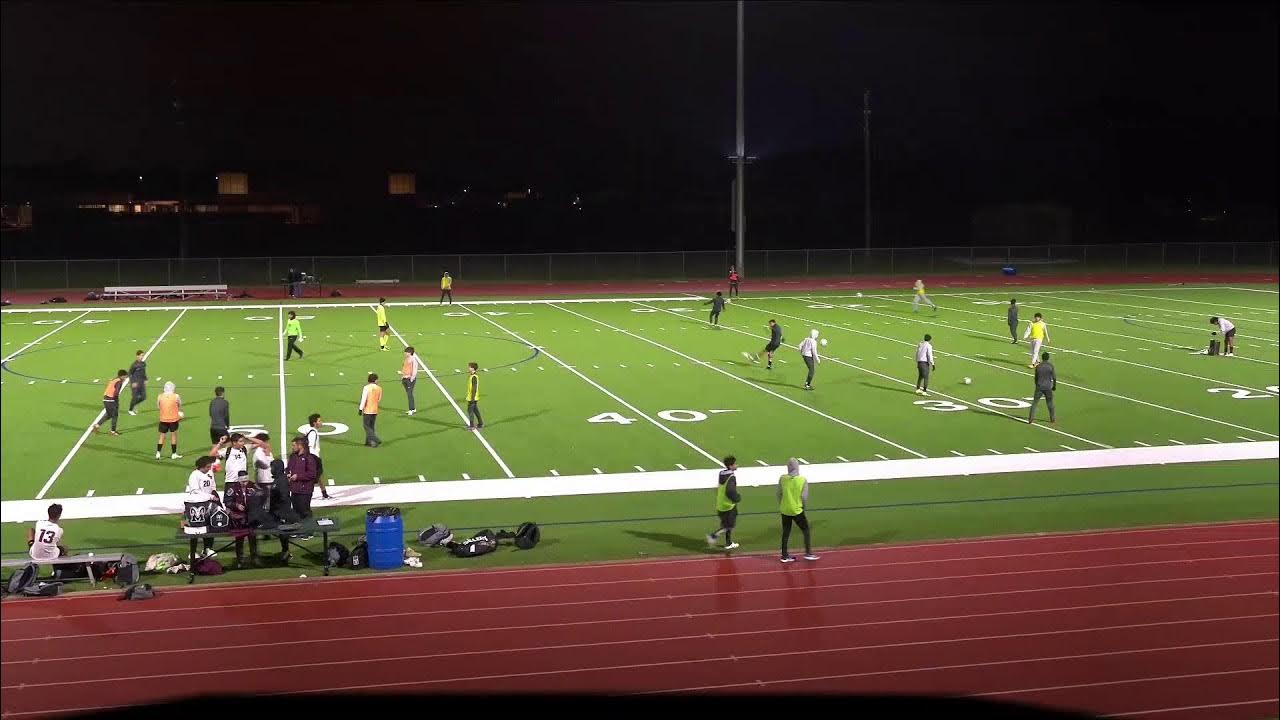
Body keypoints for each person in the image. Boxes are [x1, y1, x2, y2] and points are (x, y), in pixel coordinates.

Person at [778, 458, 817, 563]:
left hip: (785, 509)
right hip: (797, 510)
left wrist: (782, 505)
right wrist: (803, 507)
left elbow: (779, 494)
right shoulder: (802, 480)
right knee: (806, 530)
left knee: (786, 532)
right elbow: (804, 497)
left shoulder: (782, 478)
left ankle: (784, 555)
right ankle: (808, 553)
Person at [183, 456, 222, 554]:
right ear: (201, 467)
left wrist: (213, 494)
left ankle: (207, 548)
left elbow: (213, 485)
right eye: (207, 467)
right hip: (197, 505)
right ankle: (193, 552)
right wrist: (209, 496)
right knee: (195, 529)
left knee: (210, 525)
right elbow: (195, 491)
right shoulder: (194, 475)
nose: (209, 469)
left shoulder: (209, 472)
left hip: (209, 502)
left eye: (210, 467)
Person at [705, 456, 741, 550]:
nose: (737, 465)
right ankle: (713, 536)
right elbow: (730, 491)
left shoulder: (721, 473)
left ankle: (728, 543)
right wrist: (737, 498)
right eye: (735, 464)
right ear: (731, 465)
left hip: (721, 503)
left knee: (726, 524)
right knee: (729, 525)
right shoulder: (731, 477)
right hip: (728, 505)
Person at [303, 413, 330, 500]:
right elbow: (310, 446)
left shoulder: (311, 431)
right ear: (314, 423)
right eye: (319, 421)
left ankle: (324, 493)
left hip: (313, 457)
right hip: (313, 457)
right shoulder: (313, 433)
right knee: (315, 477)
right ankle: (306, 493)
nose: (321, 422)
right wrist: (312, 460)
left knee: (319, 476)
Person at [93, 369, 128, 435]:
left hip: (105, 399)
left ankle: (97, 425)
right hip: (112, 400)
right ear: (122, 376)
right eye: (125, 376)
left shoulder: (114, 379)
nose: (126, 378)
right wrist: (116, 399)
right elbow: (116, 392)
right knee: (115, 415)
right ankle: (113, 431)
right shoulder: (119, 382)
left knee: (109, 415)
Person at [1028, 352, 1058, 425]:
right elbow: (1054, 377)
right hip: (1048, 387)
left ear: (1042, 357)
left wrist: (1037, 385)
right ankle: (1052, 419)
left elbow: (1036, 377)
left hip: (1039, 386)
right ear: (1048, 358)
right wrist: (1054, 386)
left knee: (1035, 403)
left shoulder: (1038, 366)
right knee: (1050, 403)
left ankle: (1031, 419)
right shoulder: (1050, 366)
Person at [155, 381, 183, 460]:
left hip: (163, 419)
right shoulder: (176, 396)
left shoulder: (160, 396)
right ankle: (174, 454)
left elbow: (158, 406)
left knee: (161, 436)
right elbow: (179, 404)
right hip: (173, 419)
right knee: (173, 436)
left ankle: (158, 453)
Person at [358, 373, 383, 447]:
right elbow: (379, 399)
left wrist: (360, 409)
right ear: (375, 380)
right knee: (371, 426)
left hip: (368, 410)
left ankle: (375, 439)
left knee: (366, 426)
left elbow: (364, 399)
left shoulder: (366, 387)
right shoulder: (379, 388)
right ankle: (369, 442)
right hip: (375, 409)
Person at [126, 349, 147, 415]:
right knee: (134, 397)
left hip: (141, 383)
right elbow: (129, 373)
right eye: (141, 355)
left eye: (143, 355)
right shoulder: (134, 365)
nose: (142, 357)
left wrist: (145, 379)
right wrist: (133, 382)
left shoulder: (143, 363)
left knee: (143, 397)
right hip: (135, 384)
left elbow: (143, 372)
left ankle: (134, 404)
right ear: (137, 356)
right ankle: (130, 410)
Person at [399, 346, 419, 416]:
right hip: (405, 378)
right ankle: (413, 408)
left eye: (406, 352)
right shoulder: (406, 359)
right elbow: (404, 367)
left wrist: (411, 379)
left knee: (409, 394)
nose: (405, 353)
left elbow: (415, 369)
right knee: (409, 394)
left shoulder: (413, 360)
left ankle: (411, 409)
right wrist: (402, 375)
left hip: (409, 379)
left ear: (410, 353)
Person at [465, 362, 484, 429]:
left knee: (470, 411)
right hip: (473, 397)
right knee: (476, 411)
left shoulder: (474, 377)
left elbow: (474, 388)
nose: (468, 368)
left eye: (469, 367)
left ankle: (472, 425)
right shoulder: (472, 375)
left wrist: (472, 398)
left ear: (473, 368)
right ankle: (480, 423)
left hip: (472, 398)